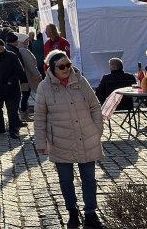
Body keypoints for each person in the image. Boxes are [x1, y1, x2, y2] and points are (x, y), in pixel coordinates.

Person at [34, 52, 104, 229]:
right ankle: (72, 212)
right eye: (61, 66)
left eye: (68, 65)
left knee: (89, 179)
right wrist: (41, 143)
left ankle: (90, 213)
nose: (66, 69)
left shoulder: (81, 81)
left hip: (86, 137)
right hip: (60, 140)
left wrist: (97, 129)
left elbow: (95, 106)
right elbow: (40, 117)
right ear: (52, 69)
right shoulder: (44, 87)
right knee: (66, 180)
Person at [0, 38, 24, 139]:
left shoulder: (12, 56)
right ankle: (0, 127)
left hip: (11, 89)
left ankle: (13, 130)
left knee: (11, 111)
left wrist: (10, 81)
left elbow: (19, 71)